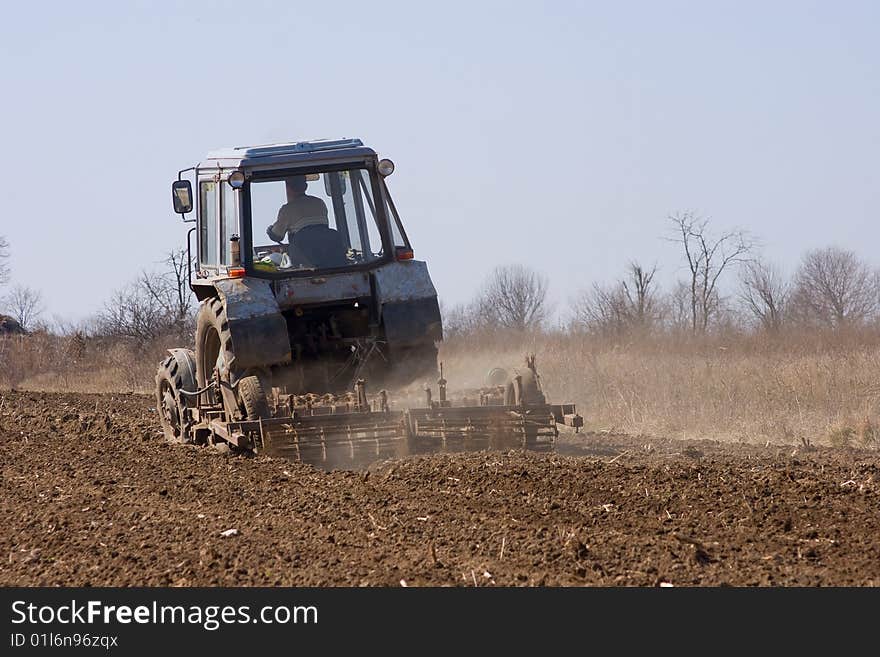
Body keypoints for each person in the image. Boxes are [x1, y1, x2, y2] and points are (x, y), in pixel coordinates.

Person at [266, 176, 346, 268]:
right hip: (331, 258)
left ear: (288, 188)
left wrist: (270, 231)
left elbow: (277, 235)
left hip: (305, 260)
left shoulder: (287, 209)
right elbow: (319, 231)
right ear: (306, 186)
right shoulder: (319, 202)